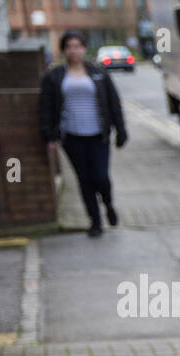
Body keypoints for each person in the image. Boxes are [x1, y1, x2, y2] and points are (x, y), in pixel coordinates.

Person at [38, 31, 128, 237]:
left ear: (84, 48)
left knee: (100, 176)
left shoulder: (99, 73)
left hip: (99, 135)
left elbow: (114, 104)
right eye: (69, 46)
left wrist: (121, 131)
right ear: (63, 50)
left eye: (78, 46)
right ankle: (95, 221)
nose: (74, 50)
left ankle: (108, 204)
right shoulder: (54, 77)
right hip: (72, 136)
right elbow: (46, 108)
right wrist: (49, 136)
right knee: (84, 179)